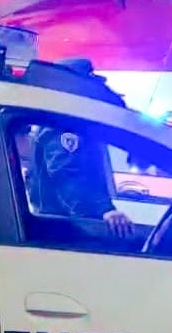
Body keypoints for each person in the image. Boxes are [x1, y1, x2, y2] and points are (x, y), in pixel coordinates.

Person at [27, 58, 133, 238]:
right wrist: (102, 211)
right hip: (62, 232)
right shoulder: (65, 127)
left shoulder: (69, 124)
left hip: (63, 226)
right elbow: (68, 175)